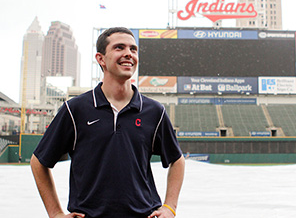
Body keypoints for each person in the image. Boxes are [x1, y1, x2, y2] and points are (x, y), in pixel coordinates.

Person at [31, 27, 185, 218]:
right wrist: (55, 213)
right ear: (101, 59)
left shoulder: (154, 112)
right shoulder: (75, 109)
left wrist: (170, 207)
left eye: (133, 49)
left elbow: (177, 160)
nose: (128, 54)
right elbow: (39, 162)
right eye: (119, 48)